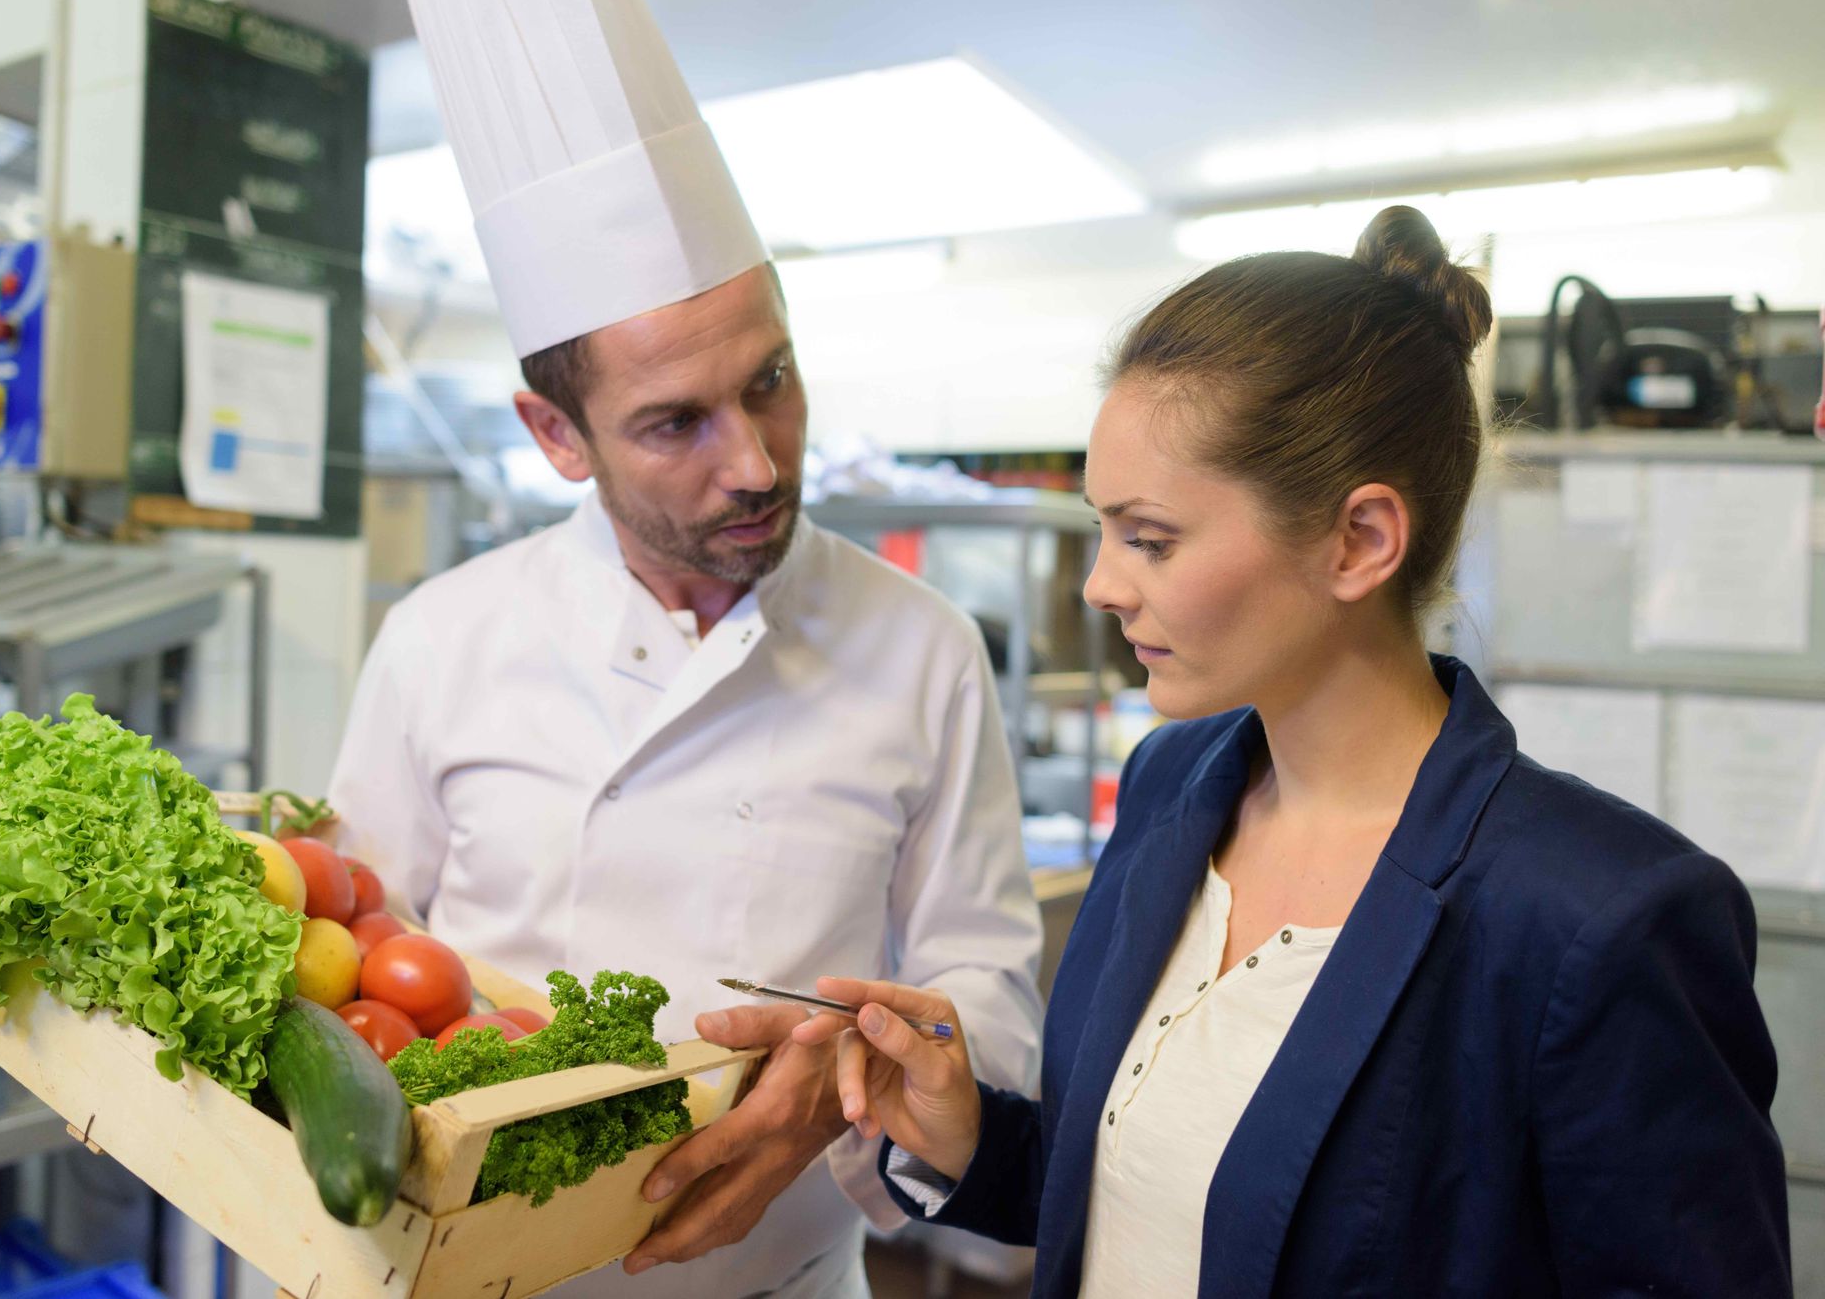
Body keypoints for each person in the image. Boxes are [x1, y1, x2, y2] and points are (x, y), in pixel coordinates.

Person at [758, 205, 1792, 1296]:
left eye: (1149, 539)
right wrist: (966, 1134)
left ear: (1358, 541)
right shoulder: (1171, 791)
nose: (1099, 584)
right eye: (1100, 529)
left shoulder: (1598, 919)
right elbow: (1136, 1199)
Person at [330, 0, 1044, 1296]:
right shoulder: (443, 641)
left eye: (769, 380)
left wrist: (840, 1089)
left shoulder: (923, 647)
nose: (759, 461)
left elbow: (986, 994)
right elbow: (360, 961)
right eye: (677, 422)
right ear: (557, 435)